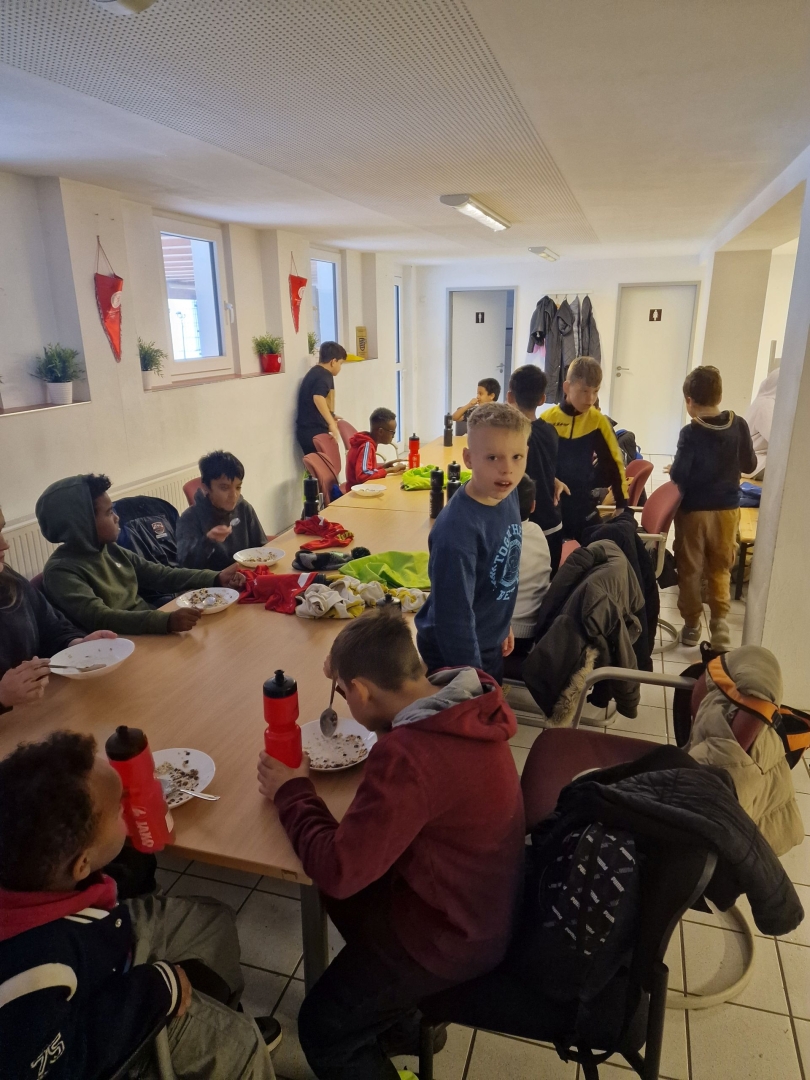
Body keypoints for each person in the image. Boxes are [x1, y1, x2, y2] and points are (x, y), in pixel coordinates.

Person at [256, 609, 525, 1080]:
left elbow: (338, 870)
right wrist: (348, 668)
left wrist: (292, 791)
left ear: (361, 691)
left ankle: (400, 1016)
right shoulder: (459, 699)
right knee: (349, 891)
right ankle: (405, 1022)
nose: (343, 701)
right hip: (482, 900)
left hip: (453, 935)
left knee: (322, 1029)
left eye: (344, 692)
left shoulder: (411, 759)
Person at [0, 731, 277, 1080]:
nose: (128, 809)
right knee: (243, 1048)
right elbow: (65, 1063)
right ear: (81, 864)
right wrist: (156, 990)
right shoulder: (31, 974)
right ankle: (233, 1049)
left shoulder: (40, 870)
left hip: (105, 941)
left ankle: (221, 1016)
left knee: (211, 922)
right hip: (106, 1031)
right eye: (120, 809)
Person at [36, 474, 244, 635]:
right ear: (83, 525)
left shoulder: (109, 549)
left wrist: (216, 577)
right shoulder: (61, 571)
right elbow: (100, 618)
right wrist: (165, 621)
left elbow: (161, 575)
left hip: (147, 630)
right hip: (121, 642)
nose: (117, 518)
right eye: (109, 513)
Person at [415, 402, 528, 683]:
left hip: (489, 637)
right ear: (468, 458)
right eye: (492, 457)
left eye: (517, 456)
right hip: (457, 654)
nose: (507, 469)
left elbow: (503, 569)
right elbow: (454, 620)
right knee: (478, 707)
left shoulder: (507, 493)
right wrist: (475, 682)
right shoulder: (456, 532)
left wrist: (504, 624)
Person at [669, 365, 757, 650]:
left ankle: (692, 626)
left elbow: (679, 475)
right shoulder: (738, 424)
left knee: (690, 570)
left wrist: (676, 468)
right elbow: (750, 465)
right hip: (727, 511)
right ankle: (719, 624)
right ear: (719, 396)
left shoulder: (690, 432)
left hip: (693, 513)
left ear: (689, 400)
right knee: (720, 568)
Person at [0, 508, 116, 716]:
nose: (4, 545)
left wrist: (77, 645)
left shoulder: (9, 581)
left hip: (39, 710)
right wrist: (2, 696)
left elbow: (53, 629)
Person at [542, 356, 628, 541]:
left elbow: (614, 462)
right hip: (552, 502)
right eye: (584, 391)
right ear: (567, 387)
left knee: (596, 549)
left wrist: (621, 503)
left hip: (583, 503)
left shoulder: (597, 421)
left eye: (595, 391)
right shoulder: (548, 419)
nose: (590, 399)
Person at [507, 363, 569, 573]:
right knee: (547, 584)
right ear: (542, 399)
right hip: (553, 524)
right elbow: (544, 467)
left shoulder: (512, 437)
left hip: (524, 527)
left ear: (509, 396)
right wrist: (554, 479)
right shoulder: (550, 432)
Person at [176, 450, 267, 571]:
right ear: (206, 487)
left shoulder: (244, 508)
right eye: (224, 488)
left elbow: (262, 548)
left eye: (238, 487)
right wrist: (208, 542)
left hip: (246, 575)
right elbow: (186, 567)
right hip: (213, 581)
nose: (234, 495)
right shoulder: (189, 518)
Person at [510, 475, 551, 657]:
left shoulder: (498, 538)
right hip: (533, 631)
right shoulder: (537, 531)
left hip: (507, 636)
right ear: (533, 506)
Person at [295, 341, 347, 455]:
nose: (340, 367)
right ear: (333, 362)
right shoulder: (324, 375)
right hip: (313, 432)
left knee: (322, 465)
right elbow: (318, 398)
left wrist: (331, 415)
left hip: (308, 431)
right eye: (340, 363)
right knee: (326, 465)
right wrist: (331, 423)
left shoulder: (316, 372)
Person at [345, 408, 406, 489]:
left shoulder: (367, 443)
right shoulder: (366, 446)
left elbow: (368, 470)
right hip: (357, 492)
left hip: (363, 488)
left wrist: (385, 466)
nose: (393, 436)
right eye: (392, 432)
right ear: (381, 432)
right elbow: (363, 474)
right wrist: (390, 470)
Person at [744, 367, 779, 479]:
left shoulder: (765, 402)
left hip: (759, 460)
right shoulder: (766, 405)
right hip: (757, 462)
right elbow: (777, 440)